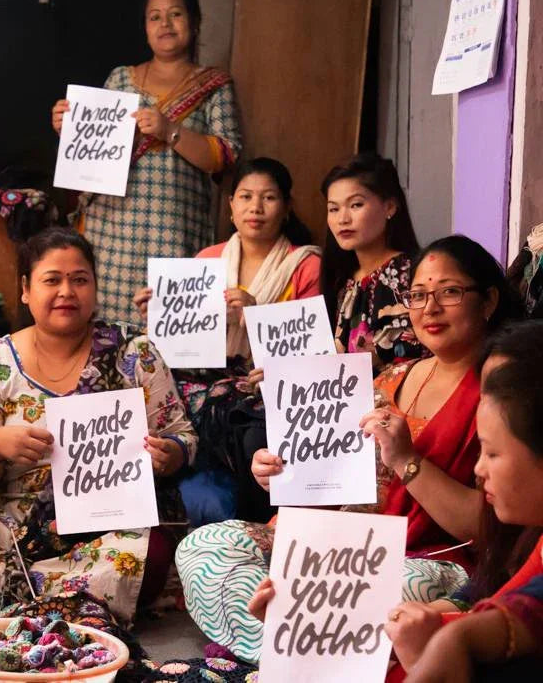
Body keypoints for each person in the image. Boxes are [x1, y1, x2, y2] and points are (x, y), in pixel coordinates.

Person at [176, 234, 523, 663]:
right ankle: (310, 652)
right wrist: (281, 472)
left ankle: (297, 649)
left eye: (449, 292)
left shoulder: (501, 390)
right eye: (418, 294)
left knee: (403, 592)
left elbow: (493, 527)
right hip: (345, 545)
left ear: (487, 301)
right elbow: (329, 482)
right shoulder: (387, 379)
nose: (429, 308)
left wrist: (408, 462)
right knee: (203, 548)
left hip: (429, 559)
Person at [0, 228, 196, 625]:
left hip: (107, 524)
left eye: (80, 280)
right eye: (52, 280)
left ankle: (15, 606)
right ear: (26, 290)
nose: (67, 291)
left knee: (138, 557)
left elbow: (183, 436)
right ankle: (59, 606)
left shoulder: (135, 353)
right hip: (14, 525)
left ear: (95, 288)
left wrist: (170, 454)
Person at [133, 157, 320, 525]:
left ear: (286, 208)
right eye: (246, 197)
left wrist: (258, 313)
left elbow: (311, 347)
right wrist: (155, 316)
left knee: (255, 432)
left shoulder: (304, 265)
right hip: (201, 382)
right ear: (231, 206)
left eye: (268, 198)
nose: (256, 207)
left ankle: (263, 531)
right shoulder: (208, 258)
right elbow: (180, 342)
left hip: (265, 386)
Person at [52, 0, 242, 324]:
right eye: (155, 17)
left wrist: (171, 131)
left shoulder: (213, 85)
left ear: (195, 22)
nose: (165, 24)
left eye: (175, 15)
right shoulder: (121, 78)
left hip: (175, 229)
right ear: (145, 27)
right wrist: (68, 129)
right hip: (111, 228)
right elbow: (91, 157)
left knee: (171, 331)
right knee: (106, 332)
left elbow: (227, 157)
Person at [379, 321, 543, 681]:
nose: (479, 468)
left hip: (432, 563)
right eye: (419, 294)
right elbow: (497, 590)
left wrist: (437, 644)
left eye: (491, 453)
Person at [321, 152, 424, 372]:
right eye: (333, 209)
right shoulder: (345, 281)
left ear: (390, 207)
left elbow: (409, 358)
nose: (343, 219)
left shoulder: (407, 273)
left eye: (356, 205)